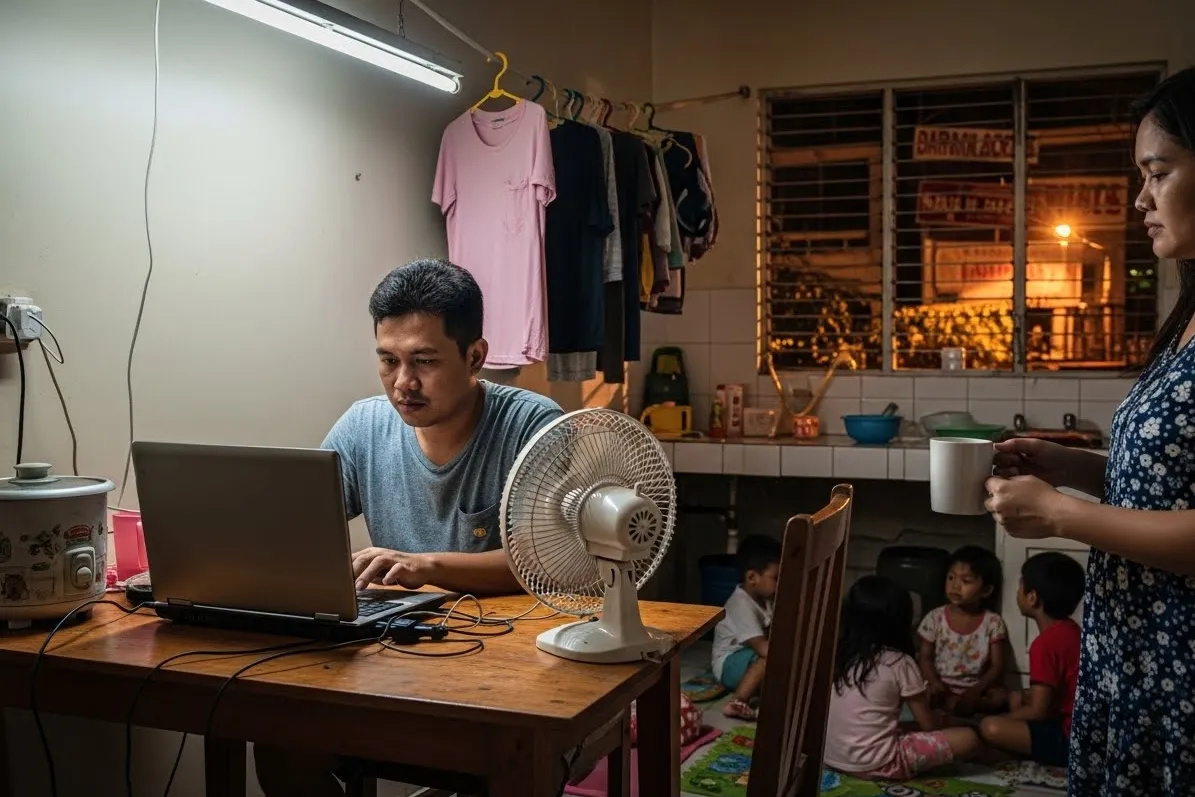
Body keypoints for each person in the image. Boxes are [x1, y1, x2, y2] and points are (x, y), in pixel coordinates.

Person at [254, 258, 562, 796]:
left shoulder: (532, 427)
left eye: (424, 360)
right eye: (388, 360)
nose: (404, 383)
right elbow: (296, 532)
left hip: (507, 674)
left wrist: (425, 566)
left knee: (517, 763)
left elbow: (547, 564)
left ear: (475, 357)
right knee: (281, 740)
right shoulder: (363, 426)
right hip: (390, 659)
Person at [985, 67, 1195, 796]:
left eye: (1157, 172)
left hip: (1179, 675)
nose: (1139, 198)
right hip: (1131, 663)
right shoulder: (1185, 321)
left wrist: (1060, 515)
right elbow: (1166, 487)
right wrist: (1067, 467)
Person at [824, 575, 980, 780]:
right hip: (878, 764)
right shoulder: (899, 662)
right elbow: (928, 726)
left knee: (902, 727)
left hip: (831, 758)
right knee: (968, 738)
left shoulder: (838, 656)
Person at [978, 552, 1085, 768]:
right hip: (1083, 729)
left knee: (990, 726)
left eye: (1020, 586)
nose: (1017, 592)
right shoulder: (1073, 631)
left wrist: (999, 721)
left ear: (1032, 597)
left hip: (1070, 740)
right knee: (1017, 698)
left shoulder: (1045, 644)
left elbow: (1038, 711)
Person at [916, 545, 1009, 717]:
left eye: (966, 581)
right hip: (941, 687)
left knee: (1001, 697)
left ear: (986, 590)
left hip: (976, 688)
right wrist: (934, 683)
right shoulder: (935, 618)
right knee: (920, 694)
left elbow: (997, 666)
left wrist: (975, 692)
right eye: (951, 578)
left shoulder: (992, 622)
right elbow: (925, 658)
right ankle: (953, 709)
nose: (955, 586)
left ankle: (960, 709)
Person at [711, 534, 781, 721]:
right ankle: (737, 700)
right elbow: (762, 648)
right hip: (728, 664)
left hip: (748, 660)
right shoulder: (740, 603)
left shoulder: (766, 600)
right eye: (776, 578)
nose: (780, 584)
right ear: (752, 577)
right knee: (769, 659)